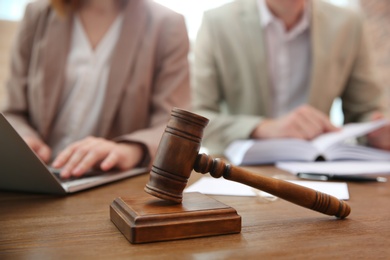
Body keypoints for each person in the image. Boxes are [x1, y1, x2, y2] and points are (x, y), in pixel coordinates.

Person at [1, 0, 190, 178]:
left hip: (108, 181)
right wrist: (23, 139)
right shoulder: (38, 14)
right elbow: (13, 111)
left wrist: (130, 150)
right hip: (37, 176)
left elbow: (173, 126)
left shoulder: (166, 25)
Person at [192, 0, 390, 155]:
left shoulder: (347, 23)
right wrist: (261, 128)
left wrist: (376, 130)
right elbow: (193, 117)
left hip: (319, 172)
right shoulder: (217, 23)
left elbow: (365, 111)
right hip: (238, 173)